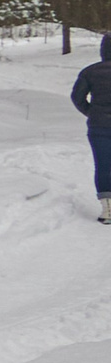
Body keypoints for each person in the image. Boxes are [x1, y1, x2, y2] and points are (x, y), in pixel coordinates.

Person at [73, 32, 111, 223]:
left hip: (99, 127)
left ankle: (108, 209)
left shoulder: (89, 72)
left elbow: (77, 98)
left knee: (104, 165)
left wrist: (92, 112)